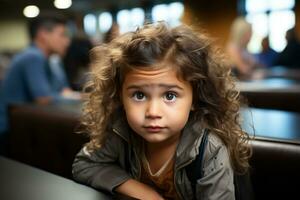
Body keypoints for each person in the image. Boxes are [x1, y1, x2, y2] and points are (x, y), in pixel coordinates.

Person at [72, 22, 251, 199]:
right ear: (120, 97)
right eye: (139, 95)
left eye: (170, 96)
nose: (153, 112)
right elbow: (84, 164)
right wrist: (142, 192)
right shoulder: (120, 131)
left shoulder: (210, 150)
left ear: (195, 98)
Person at [0, 13, 79, 155]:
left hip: (21, 126)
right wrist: (78, 96)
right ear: (43, 35)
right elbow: (43, 98)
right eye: (62, 35)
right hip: (8, 130)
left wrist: (65, 94)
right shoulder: (33, 56)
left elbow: (59, 90)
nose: (67, 41)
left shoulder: (46, 58)